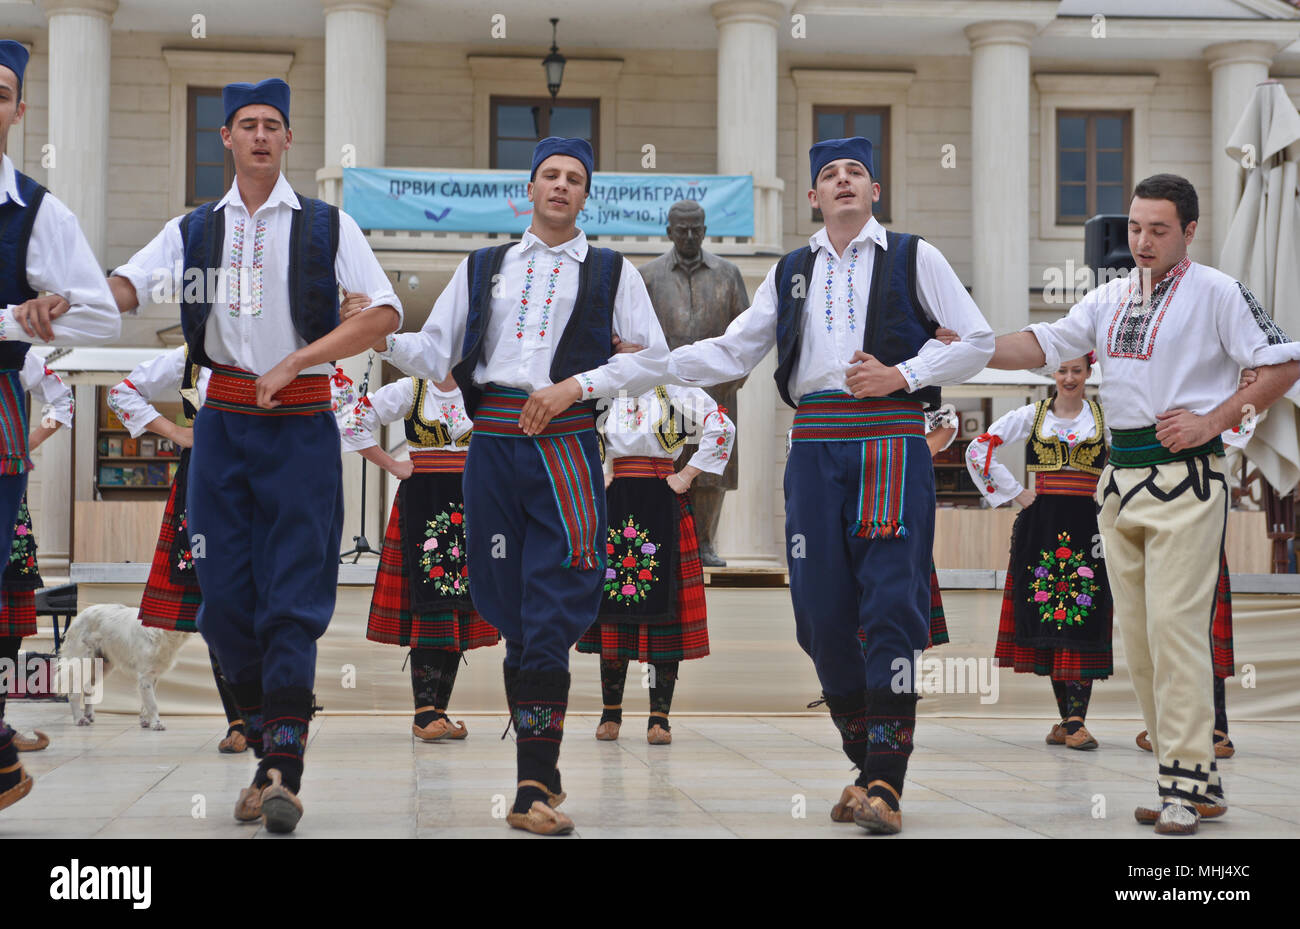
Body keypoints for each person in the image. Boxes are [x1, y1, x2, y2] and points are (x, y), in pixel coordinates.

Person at [669, 137, 994, 833]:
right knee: (818, 613)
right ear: (812, 198)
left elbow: (976, 338)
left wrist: (901, 375)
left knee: (891, 604)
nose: (842, 181)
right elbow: (734, 349)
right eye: (828, 175)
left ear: (875, 191)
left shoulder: (914, 255)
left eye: (855, 173)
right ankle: (866, 758)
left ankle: (886, 780)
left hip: (890, 437)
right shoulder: (790, 271)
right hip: (813, 444)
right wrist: (644, 362)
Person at [108, 78, 402, 833]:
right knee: (226, 605)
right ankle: (264, 750)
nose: (262, 135)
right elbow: (125, 288)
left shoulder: (327, 226)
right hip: (221, 433)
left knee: (292, 601)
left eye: (274, 124)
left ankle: (281, 771)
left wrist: (298, 360)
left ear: (289, 140)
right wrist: (57, 299)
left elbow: (383, 311)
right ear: (227, 139)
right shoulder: (194, 229)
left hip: (300, 428)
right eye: (248, 124)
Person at [988, 173, 1300, 835]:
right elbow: (1045, 344)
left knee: (1176, 630)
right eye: (1135, 227)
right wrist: (970, 342)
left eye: (1158, 228)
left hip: (1188, 478)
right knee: (1140, 643)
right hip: (1119, 484)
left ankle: (1182, 787)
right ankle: (1196, 780)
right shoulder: (1107, 297)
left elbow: (1283, 364)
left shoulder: (1219, 291)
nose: (1143, 240)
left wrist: (1214, 420)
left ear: (1190, 229)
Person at [374, 136, 669, 835]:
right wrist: (379, 330)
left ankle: (531, 780)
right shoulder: (483, 267)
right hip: (493, 443)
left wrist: (576, 386)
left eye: (574, 178)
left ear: (585, 194)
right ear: (528, 190)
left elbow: (653, 357)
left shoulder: (610, 270)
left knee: (553, 605)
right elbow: (434, 352)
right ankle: (543, 763)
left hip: (563, 442)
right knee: (505, 601)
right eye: (550, 176)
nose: (561, 186)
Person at [0, 38, 122, 815]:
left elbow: (104, 313)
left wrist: (46, 313)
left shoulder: (37, 210)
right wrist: (11, 314)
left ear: (17, 110)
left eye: (0, 89)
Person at [336, 362, 500, 742]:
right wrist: (392, 464)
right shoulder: (412, 390)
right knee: (432, 602)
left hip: (474, 502)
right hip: (424, 501)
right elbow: (351, 423)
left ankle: (438, 711)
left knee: (461, 605)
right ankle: (424, 713)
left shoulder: (483, 389)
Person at [966, 354, 1113, 750]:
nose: (1068, 378)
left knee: (1084, 613)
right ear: (1052, 373)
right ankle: (1070, 721)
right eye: (1062, 370)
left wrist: (1112, 502)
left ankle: (1075, 720)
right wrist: (1016, 492)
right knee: (1052, 612)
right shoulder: (1033, 414)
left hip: (1089, 525)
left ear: (1087, 374)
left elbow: (1127, 462)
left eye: (1076, 371)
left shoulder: (1104, 418)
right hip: (1042, 524)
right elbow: (979, 447)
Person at [577, 384, 734, 744]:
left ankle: (659, 718)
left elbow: (722, 426)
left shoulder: (676, 390)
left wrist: (687, 474)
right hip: (615, 501)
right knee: (613, 608)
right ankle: (610, 712)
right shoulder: (604, 390)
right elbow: (580, 437)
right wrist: (600, 473)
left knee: (666, 612)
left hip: (663, 498)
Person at [639, 201, 750, 565]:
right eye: (681, 229)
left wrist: (730, 384)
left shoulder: (728, 274)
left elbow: (747, 336)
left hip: (716, 390)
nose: (689, 236)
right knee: (665, 463)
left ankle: (704, 544)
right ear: (668, 231)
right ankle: (667, 542)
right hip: (662, 393)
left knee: (712, 471)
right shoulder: (648, 276)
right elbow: (636, 334)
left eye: (696, 229)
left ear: (705, 230)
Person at [0, 351, 74, 753]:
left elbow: (63, 400)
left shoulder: (12, 345)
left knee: (6, 622)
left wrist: (26, 441)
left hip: (3, 491)